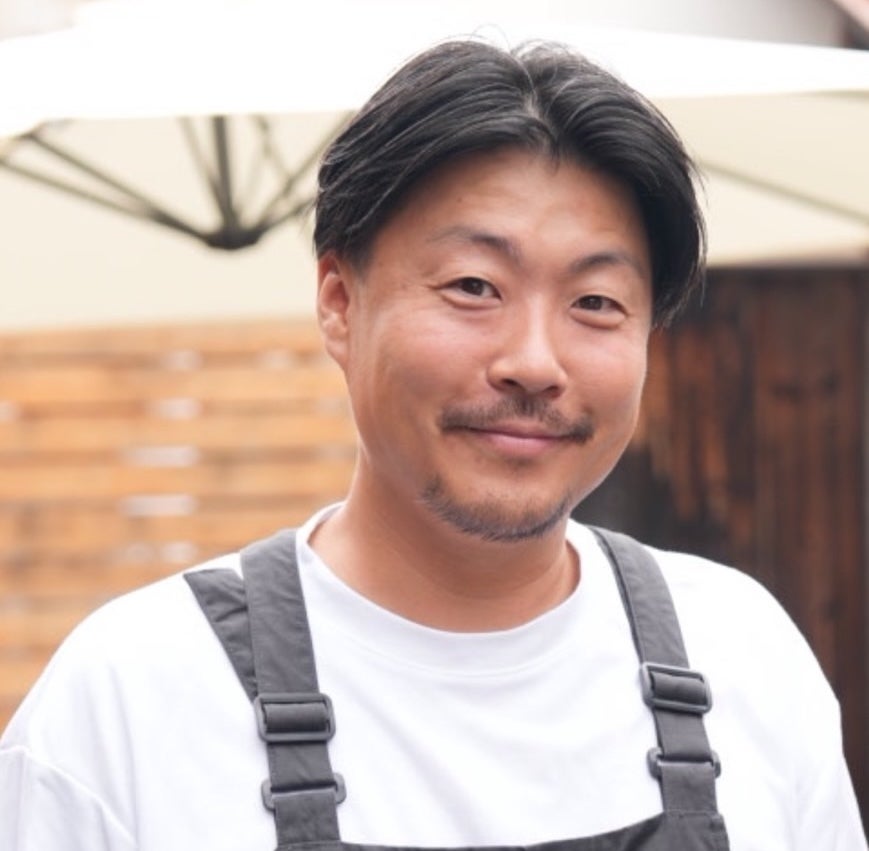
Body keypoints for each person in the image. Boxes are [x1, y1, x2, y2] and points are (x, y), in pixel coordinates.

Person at [0, 38, 865, 851]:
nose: (535, 362)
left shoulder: (740, 653)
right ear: (339, 303)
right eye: (473, 286)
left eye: (595, 302)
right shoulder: (131, 699)